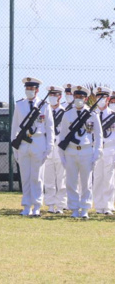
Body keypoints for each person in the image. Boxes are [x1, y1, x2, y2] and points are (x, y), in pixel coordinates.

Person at [11, 77, 54, 217]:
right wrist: (15, 149)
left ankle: (36, 205)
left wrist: (49, 147)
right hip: (23, 144)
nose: (29, 91)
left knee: (37, 177)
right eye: (27, 88)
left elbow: (50, 128)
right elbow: (14, 128)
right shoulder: (20, 105)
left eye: (32, 89)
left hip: (38, 143)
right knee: (25, 177)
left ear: (37, 90)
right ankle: (26, 205)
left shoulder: (45, 105)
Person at [59, 85, 103, 219]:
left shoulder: (92, 114)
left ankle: (84, 208)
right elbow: (62, 136)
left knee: (86, 182)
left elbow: (99, 135)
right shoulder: (67, 114)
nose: (78, 99)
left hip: (86, 151)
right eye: (76, 97)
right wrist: (62, 155)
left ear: (85, 98)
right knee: (71, 182)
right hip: (71, 151)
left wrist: (97, 151)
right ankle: (73, 208)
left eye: (81, 97)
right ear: (73, 97)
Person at [43, 85, 68, 214]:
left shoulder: (65, 113)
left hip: (60, 147)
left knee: (61, 178)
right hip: (48, 146)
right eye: (51, 95)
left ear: (60, 97)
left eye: (55, 95)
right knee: (48, 177)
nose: (53, 97)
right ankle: (51, 204)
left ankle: (61, 205)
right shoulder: (44, 111)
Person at [92, 87, 115, 215]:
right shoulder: (91, 115)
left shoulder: (113, 115)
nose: (101, 99)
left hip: (110, 149)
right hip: (96, 149)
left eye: (104, 97)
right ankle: (99, 205)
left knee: (109, 178)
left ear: (108, 99)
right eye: (98, 97)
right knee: (98, 177)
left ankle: (108, 205)